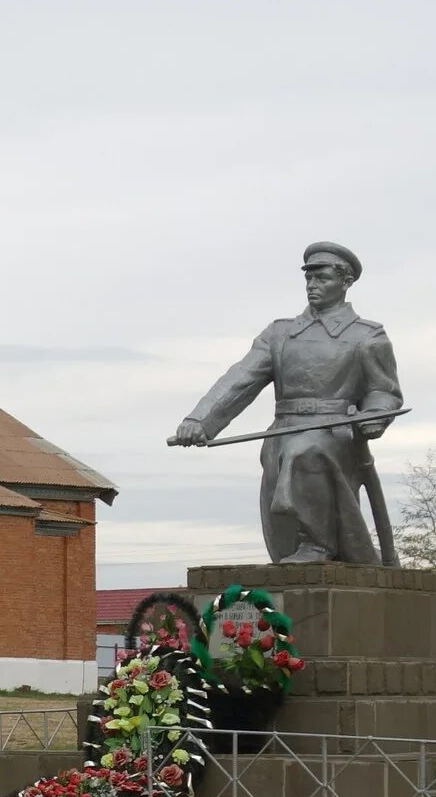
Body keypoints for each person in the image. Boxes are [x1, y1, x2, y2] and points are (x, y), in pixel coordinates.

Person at [167, 241, 401, 565]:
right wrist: (200, 421)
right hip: (281, 432)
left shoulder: (367, 337)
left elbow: (383, 390)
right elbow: (241, 378)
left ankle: (318, 546)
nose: (312, 286)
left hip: (334, 435)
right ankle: (298, 556)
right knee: (284, 520)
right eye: (309, 279)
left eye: (323, 279)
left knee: (305, 453)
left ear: (346, 282)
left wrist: (374, 416)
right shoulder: (280, 334)